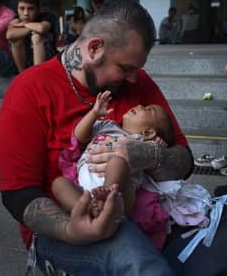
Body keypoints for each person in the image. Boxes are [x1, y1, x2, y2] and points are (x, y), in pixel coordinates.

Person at [0, 0, 227, 276]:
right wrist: (72, 229)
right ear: (95, 48)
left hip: (143, 213)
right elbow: (18, 195)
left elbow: (184, 161)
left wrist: (148, 155)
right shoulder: (29, 90)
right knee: (133, 253)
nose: (135, 79)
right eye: (125, 68)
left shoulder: (137, 82)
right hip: (67, 228)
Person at [53, 90, 173, 240]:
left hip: (121, 195)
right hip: (85, 188)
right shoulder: (108, 125)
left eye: (149, 110)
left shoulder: (142, 142)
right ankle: (88, 208)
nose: (141, 105)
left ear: (148, 132)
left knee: (117, 163)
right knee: (58, 183)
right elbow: (80, 136)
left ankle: (107, 200)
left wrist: (158, 146)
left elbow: (159, 159)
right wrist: (94, 114)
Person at [6, 0, 56, 73]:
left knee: (36, 37)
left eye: (31, 9)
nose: (26, 13)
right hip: (26, 61)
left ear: (38, 10)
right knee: (16, 40)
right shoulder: (16, 19)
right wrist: (32, 28)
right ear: (17, 9)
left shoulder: (47, 16)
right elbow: (9, 35)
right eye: (22, 8)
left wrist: (24, 24)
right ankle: (22, 75)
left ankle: (37, 76)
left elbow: (42, 28)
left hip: (48, 61)